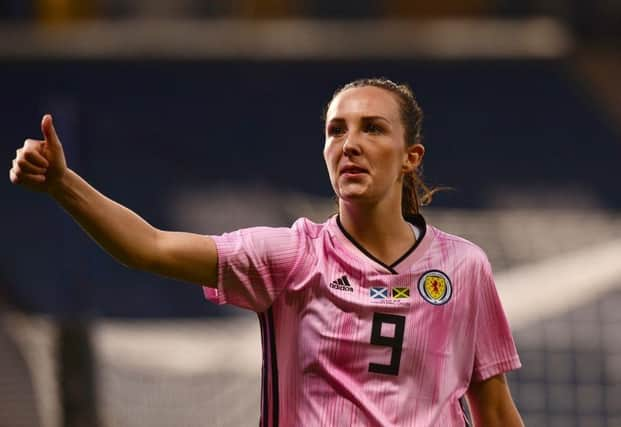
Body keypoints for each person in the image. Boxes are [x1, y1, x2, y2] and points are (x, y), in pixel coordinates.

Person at [9, 77, 523, 427]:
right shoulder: (291, 257)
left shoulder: (462, 267)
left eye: (373, 128)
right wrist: (62, 183)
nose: (350, 143)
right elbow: (151, 247)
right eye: (335, 130)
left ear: (411, 157)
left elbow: (495, 413)